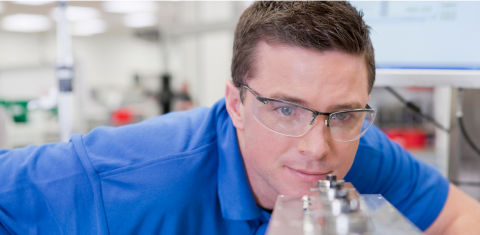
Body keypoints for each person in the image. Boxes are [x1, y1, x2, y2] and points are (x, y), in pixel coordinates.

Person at [1, 2, 479, 235]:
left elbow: (462, 216)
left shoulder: (359, 147)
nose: (317, 148)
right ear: (236, 105)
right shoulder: (130, 175)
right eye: (286, 109)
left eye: (343, 113)